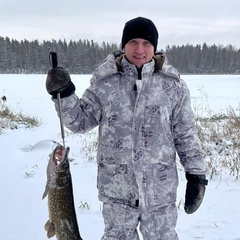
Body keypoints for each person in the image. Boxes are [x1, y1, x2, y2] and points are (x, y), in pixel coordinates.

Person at [46, 16, 208, 240]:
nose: (139, 49)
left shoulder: (173, 86)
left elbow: (185, 134)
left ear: (155, 47)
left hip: (159, 194)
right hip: (117, 194)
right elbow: (79, 121)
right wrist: (64, 93)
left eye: (146, 43)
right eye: (133, 42)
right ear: (124, 45)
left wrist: (196, 173)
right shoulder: (106, 83)